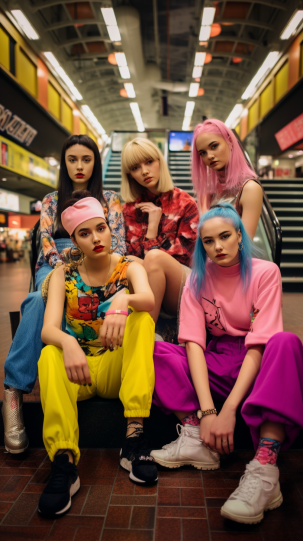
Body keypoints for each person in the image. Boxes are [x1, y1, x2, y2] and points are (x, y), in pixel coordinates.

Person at [151, 203, 303, 525]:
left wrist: (229, 410)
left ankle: (265, 465)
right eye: (208, 241)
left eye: (224, 236)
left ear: (239, 235)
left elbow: (259, 343)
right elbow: (193, 343)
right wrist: (208, 413)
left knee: (286, 343)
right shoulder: (196, 280)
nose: (217, 246)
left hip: (255, 360)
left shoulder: (265, 272)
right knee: (152, 349)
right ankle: (195, 436)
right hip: (217, 359)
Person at [2, 135, 126, 454]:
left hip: (100, 262)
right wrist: (65, 268)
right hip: (56, 261)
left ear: (96, 163)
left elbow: (119, 243)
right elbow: (45, 241)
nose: (80, 166)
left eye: (86, 159)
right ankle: (14, 393)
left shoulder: (110, 198)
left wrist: (93, 263)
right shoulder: (51, 200)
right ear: (64, 162)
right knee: (35, 300)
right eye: (73, 159)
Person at [37, 190, 157, 519]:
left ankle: (134, 439)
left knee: (142, 321)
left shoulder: (129, 266)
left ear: (109, 228)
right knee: (49, 354)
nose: (96, 238)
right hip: (80, 372)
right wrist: (69, 343)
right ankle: (64, 461)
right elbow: (49, 329)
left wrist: (123, 301)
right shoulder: (63, 273)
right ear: (74, 240)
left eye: (100, 228)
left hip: (115, 368)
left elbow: (146, 299)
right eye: (84, 233)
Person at [121, 138, 199, 324]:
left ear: (160, 162)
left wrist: (152, 233)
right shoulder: (129, 210)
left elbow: (183, 257)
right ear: (130, 175)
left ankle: (145, 333)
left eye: (149, 162)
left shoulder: (185, 204)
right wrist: (152, 230)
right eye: (135, 167)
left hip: (183, 286)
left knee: (154, 258)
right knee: (129, 261)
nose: (145, 171)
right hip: (149, 287)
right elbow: (132, 257)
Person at [192, 119, 263, 239]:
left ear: (229, 141)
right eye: (203, 153)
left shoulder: (249, 188)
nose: (209, 156)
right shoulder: (209, 191)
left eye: (214, 146)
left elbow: (245, 243)